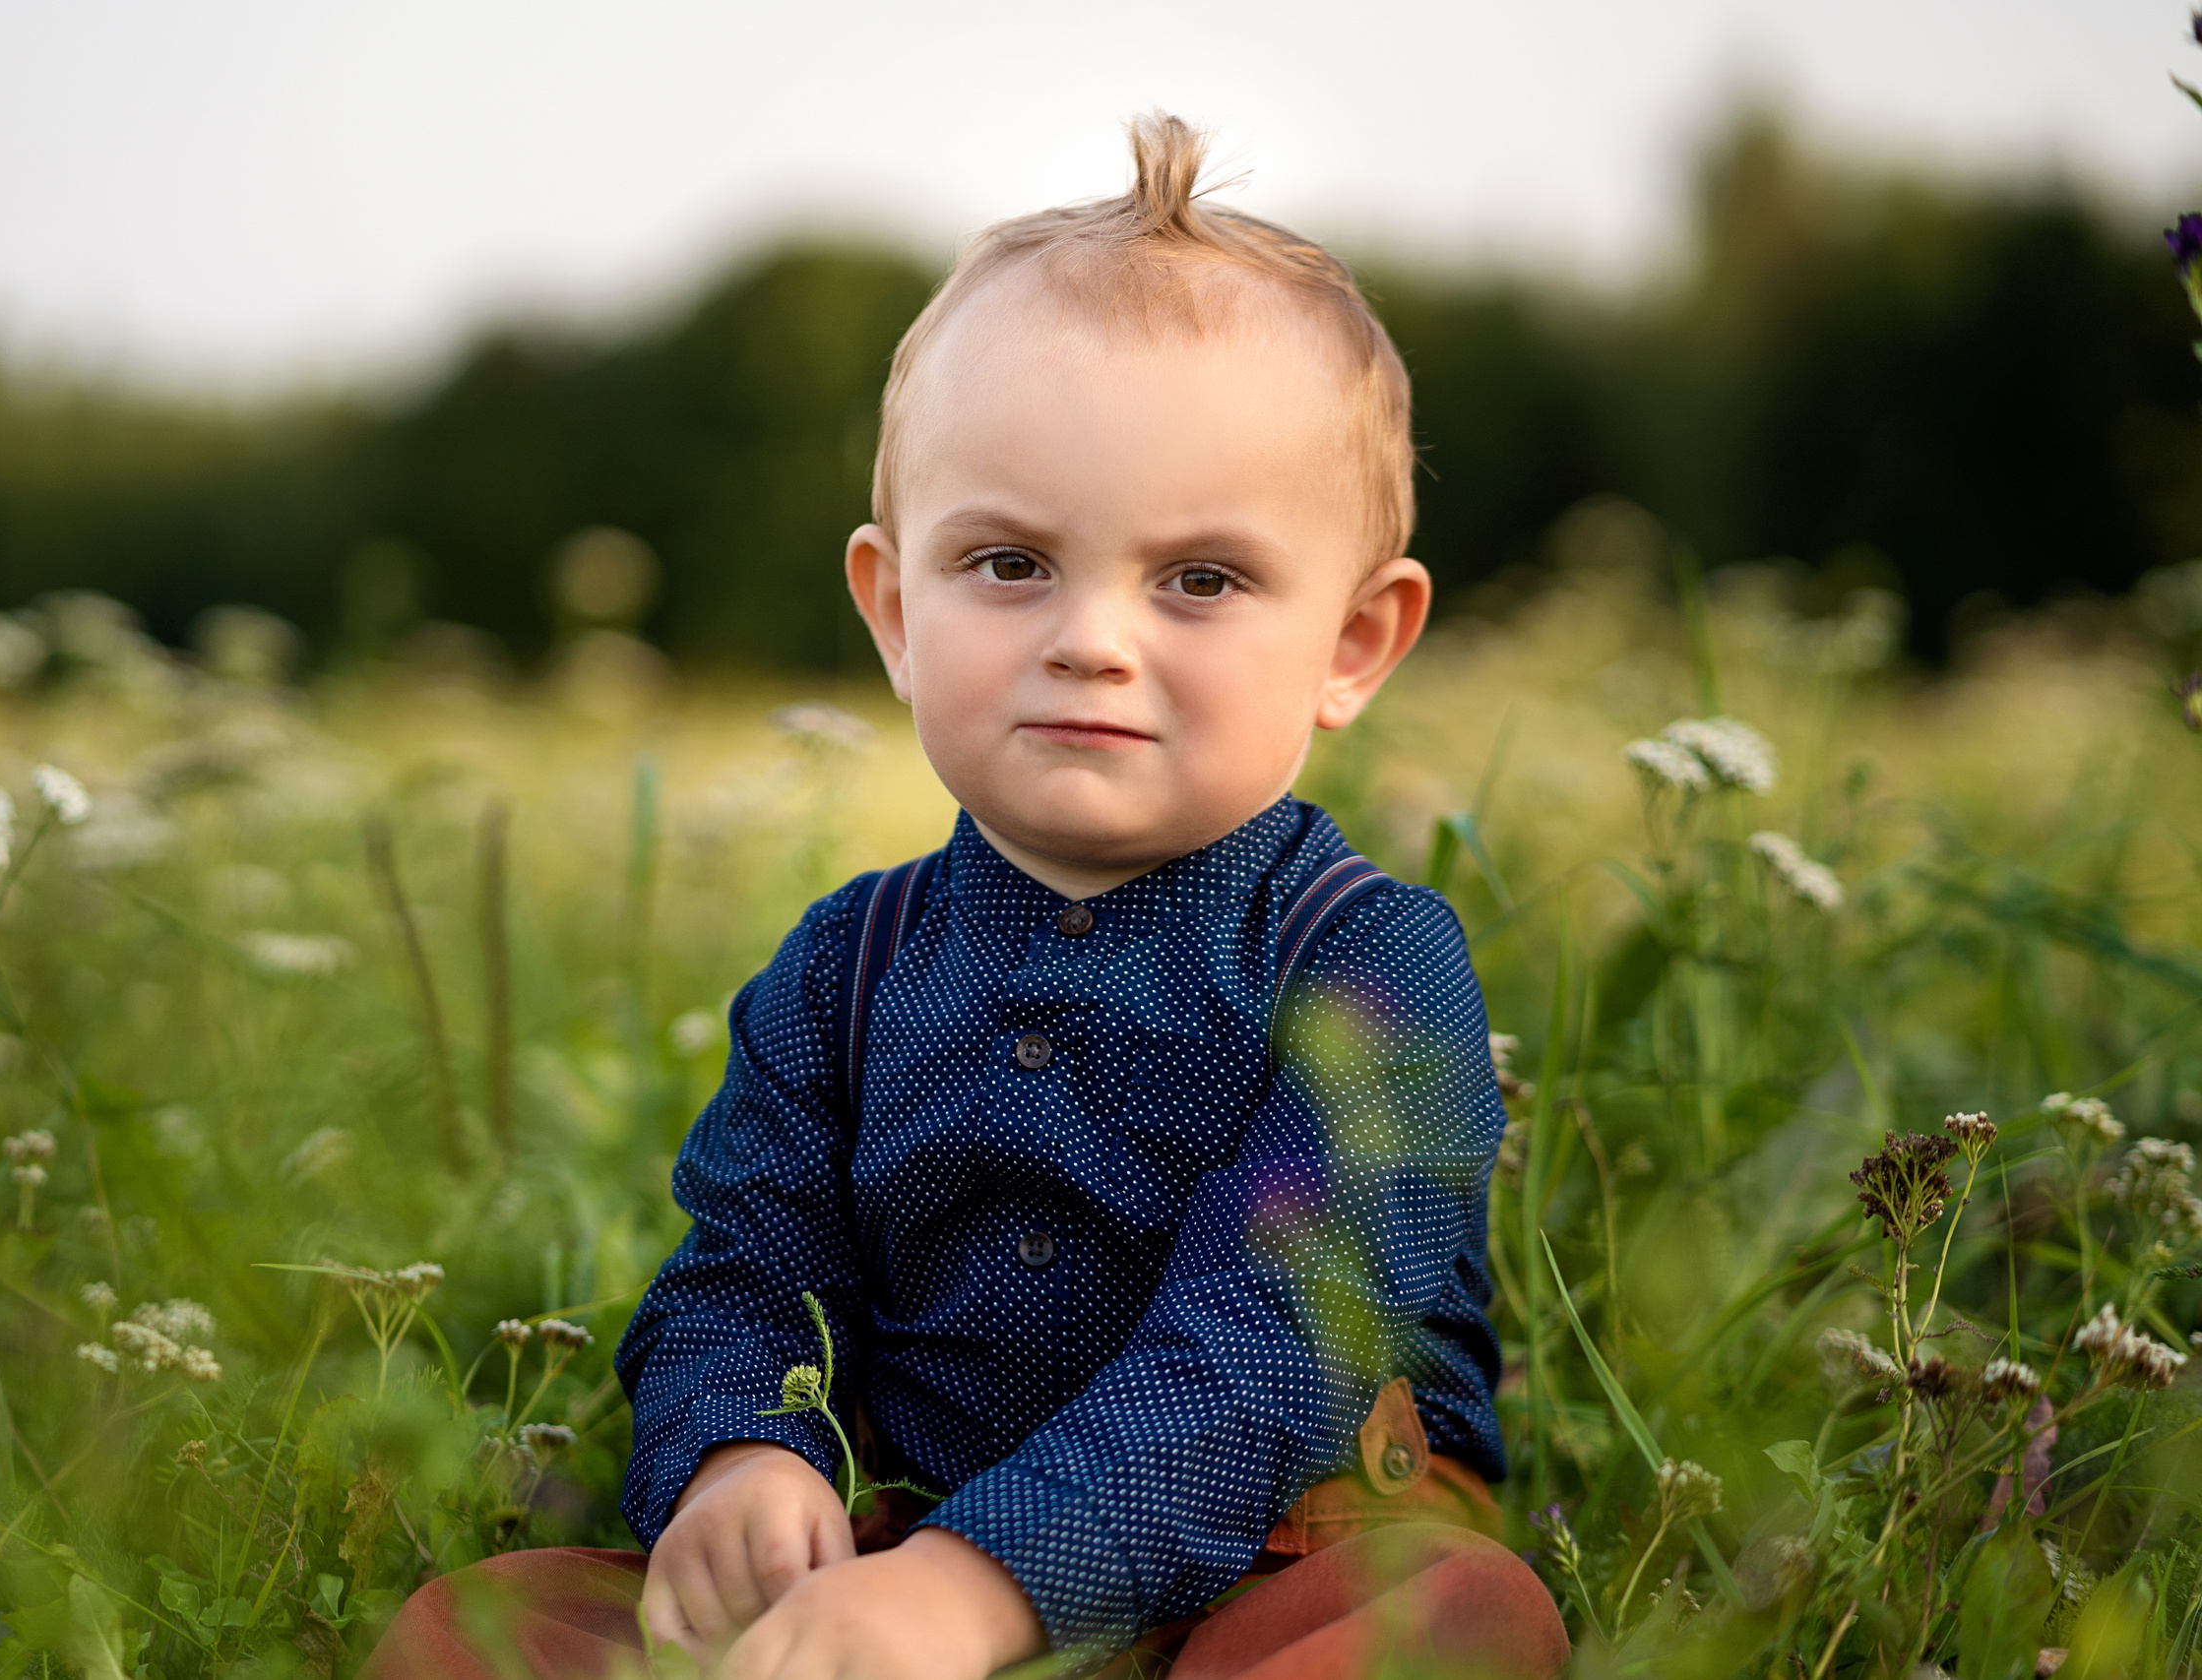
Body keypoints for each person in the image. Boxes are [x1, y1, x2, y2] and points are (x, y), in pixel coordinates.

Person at [364, 113, 1568, 1680]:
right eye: (1009, 563)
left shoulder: (1372, 962)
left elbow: (1276, 1345)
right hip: (892, 1555)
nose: (1092, 640)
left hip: (1281, 1554)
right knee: (479, 1627)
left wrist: (982, 1585)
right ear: (893, 610)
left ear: (1354, 644)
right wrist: (744, 1460)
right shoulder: (842, 967)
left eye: (1200, 579)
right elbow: (747, 1265)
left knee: (1458, 1626)